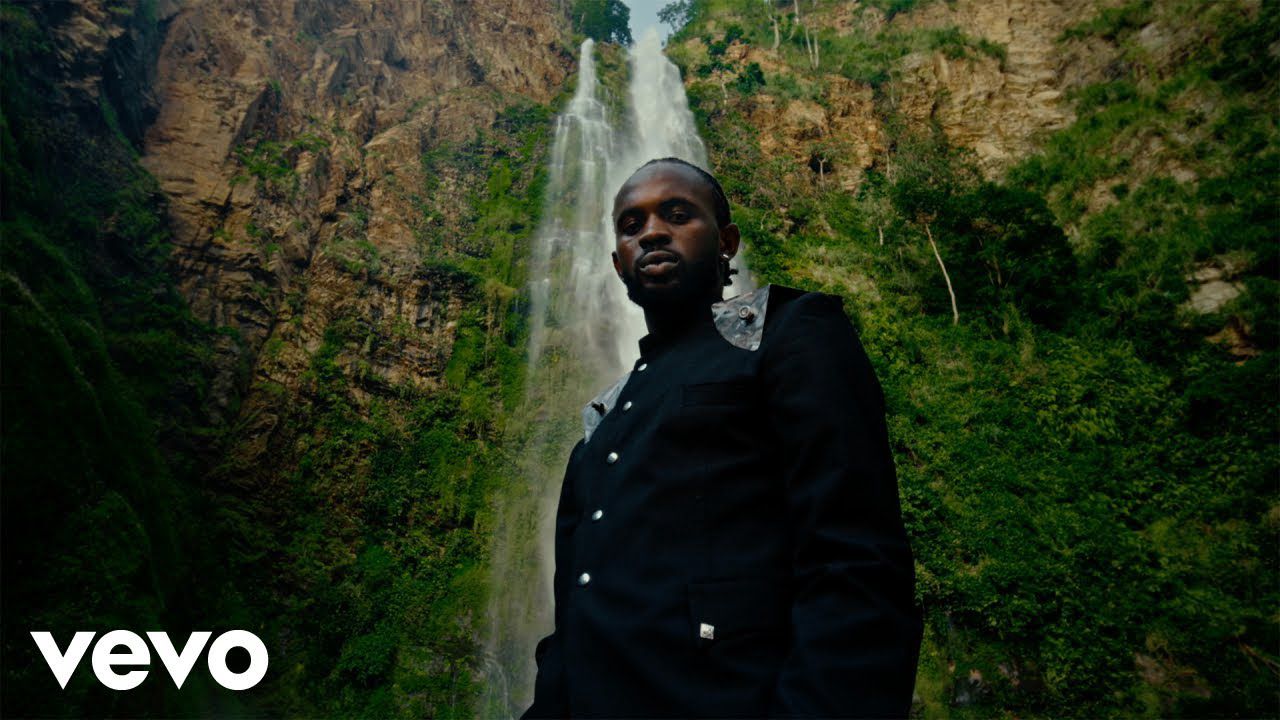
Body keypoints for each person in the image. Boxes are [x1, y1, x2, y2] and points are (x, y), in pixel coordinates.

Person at [522, 157, 922, 719]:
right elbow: (572, 625)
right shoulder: (600, 425)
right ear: (617, 263)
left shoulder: (788, 335)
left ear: (727, 242)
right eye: (632, 226)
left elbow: (854, 562)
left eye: (677, 214)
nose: (652, 232)